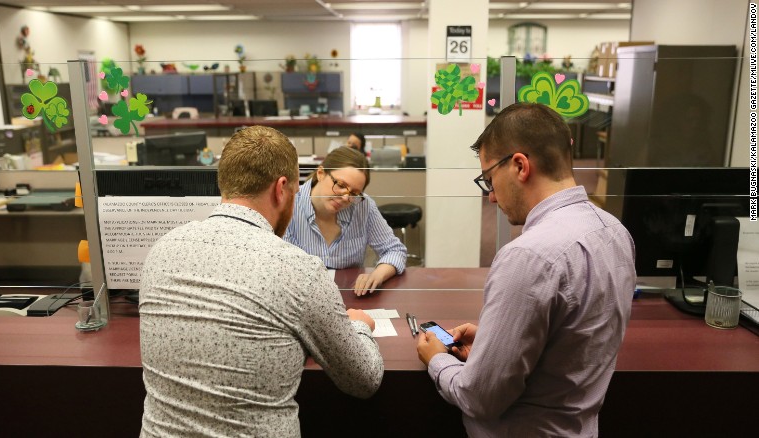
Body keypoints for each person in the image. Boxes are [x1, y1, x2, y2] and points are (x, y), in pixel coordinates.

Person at [138, 126, 384, 437]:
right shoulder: (299, 271)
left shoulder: (161, 251)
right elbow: (364, 379)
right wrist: (360, 325)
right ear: (281, 189)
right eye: (296, 192)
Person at [416, 103, 636, 436]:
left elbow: (479, 397)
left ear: (520, 166)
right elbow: (574, 340)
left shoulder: (528, 257)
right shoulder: (615, 232)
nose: (491, 197)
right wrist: (498, 339)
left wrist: (436, 359)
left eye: (489, 180)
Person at [285, 146, 407, 295]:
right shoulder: (288, 205)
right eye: (341, 185)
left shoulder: (363, 206)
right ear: (321, 173)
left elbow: (395, 250)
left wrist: (377, 274)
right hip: (299, 299)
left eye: (354, 193)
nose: (345, 198)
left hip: (350, 298)